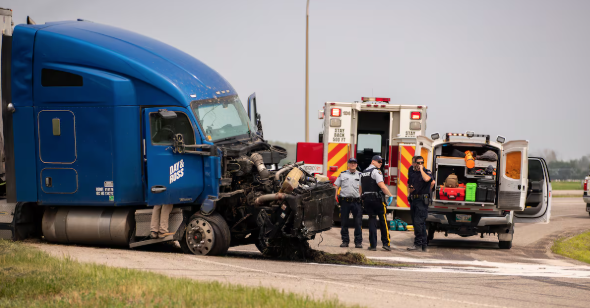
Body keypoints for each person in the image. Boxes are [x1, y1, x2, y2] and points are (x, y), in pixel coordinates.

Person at [360, 155, 394, 251]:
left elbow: (360, 188)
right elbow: (381, 185)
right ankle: (386, 243)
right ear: (373, 162)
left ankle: (373, 245)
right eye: (379, 161)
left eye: (381, 162)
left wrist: (361, 198)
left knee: (372, 221)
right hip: (377, 200)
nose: (380, 163)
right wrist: (390, 195)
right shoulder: (376, 171)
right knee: (383, 221)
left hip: (367, 200)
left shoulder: (363, 172)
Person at [407, 156, 435, 252]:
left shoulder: (426, 172)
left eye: (421, 162)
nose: (420, 165)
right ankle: (423, 245)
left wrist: (422, 170)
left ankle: (418, 244)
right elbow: (409, 184)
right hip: (414, 199)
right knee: (417, 223)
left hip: (422, 201)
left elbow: (427, 179)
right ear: (413, 163)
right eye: (418, 163)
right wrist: (408, 194)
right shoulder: (411, 172)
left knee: (419, 222)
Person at [334, 158, 363, 248]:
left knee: (358, 223)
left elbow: (362, 187)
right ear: (348, 164)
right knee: (344, 222)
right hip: (345, 202)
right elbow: (336, 186)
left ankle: (358, 242)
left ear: (357, 165)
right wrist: (335, 197)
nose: (353, 164)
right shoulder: (342, 174)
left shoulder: (360, 175)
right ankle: (345, 241)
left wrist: (361, 197)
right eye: (351, 163)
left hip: (356, 202)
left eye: (354, 163)